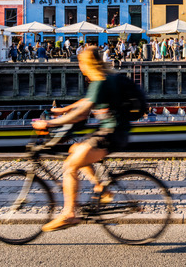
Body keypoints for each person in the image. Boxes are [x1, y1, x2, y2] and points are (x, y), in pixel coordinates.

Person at [32, 46, 130, 232]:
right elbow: (86, 101)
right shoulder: (101, 80)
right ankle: (101, 188)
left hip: (111, 135)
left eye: (80, 62)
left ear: (87, 64)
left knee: (69, 167)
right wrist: (64, 110)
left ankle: (69, 214)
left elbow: (81, 113)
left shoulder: (100, 82)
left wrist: (50, 124)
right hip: (109, 131)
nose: (79, 65)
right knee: (74, 149)